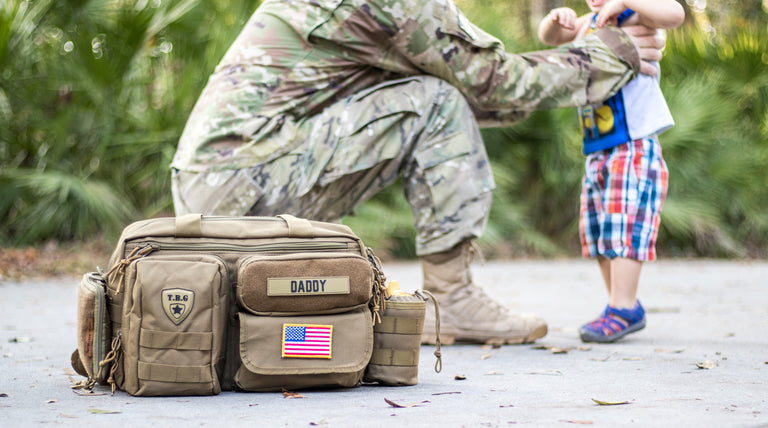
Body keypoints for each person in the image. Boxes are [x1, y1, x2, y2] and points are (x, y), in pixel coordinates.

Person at [171, 0, 665, 346]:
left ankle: (450, 298)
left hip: (229, 189)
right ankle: (450, 298)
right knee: (435, 102)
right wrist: (613, 53)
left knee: (437, 97)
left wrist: (599, 54)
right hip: (241, 186)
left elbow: (478, 93)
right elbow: (493, 84)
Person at [538, 0, 684, 343]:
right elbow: (549, 37)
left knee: (624, 225)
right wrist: (553, 19)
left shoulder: (635, 15)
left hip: (633, 142)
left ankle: (622, 305)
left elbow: (675, 14)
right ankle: (619, 306)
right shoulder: (588, 23)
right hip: (598, 149)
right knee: (600, 231)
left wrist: (626, 2)